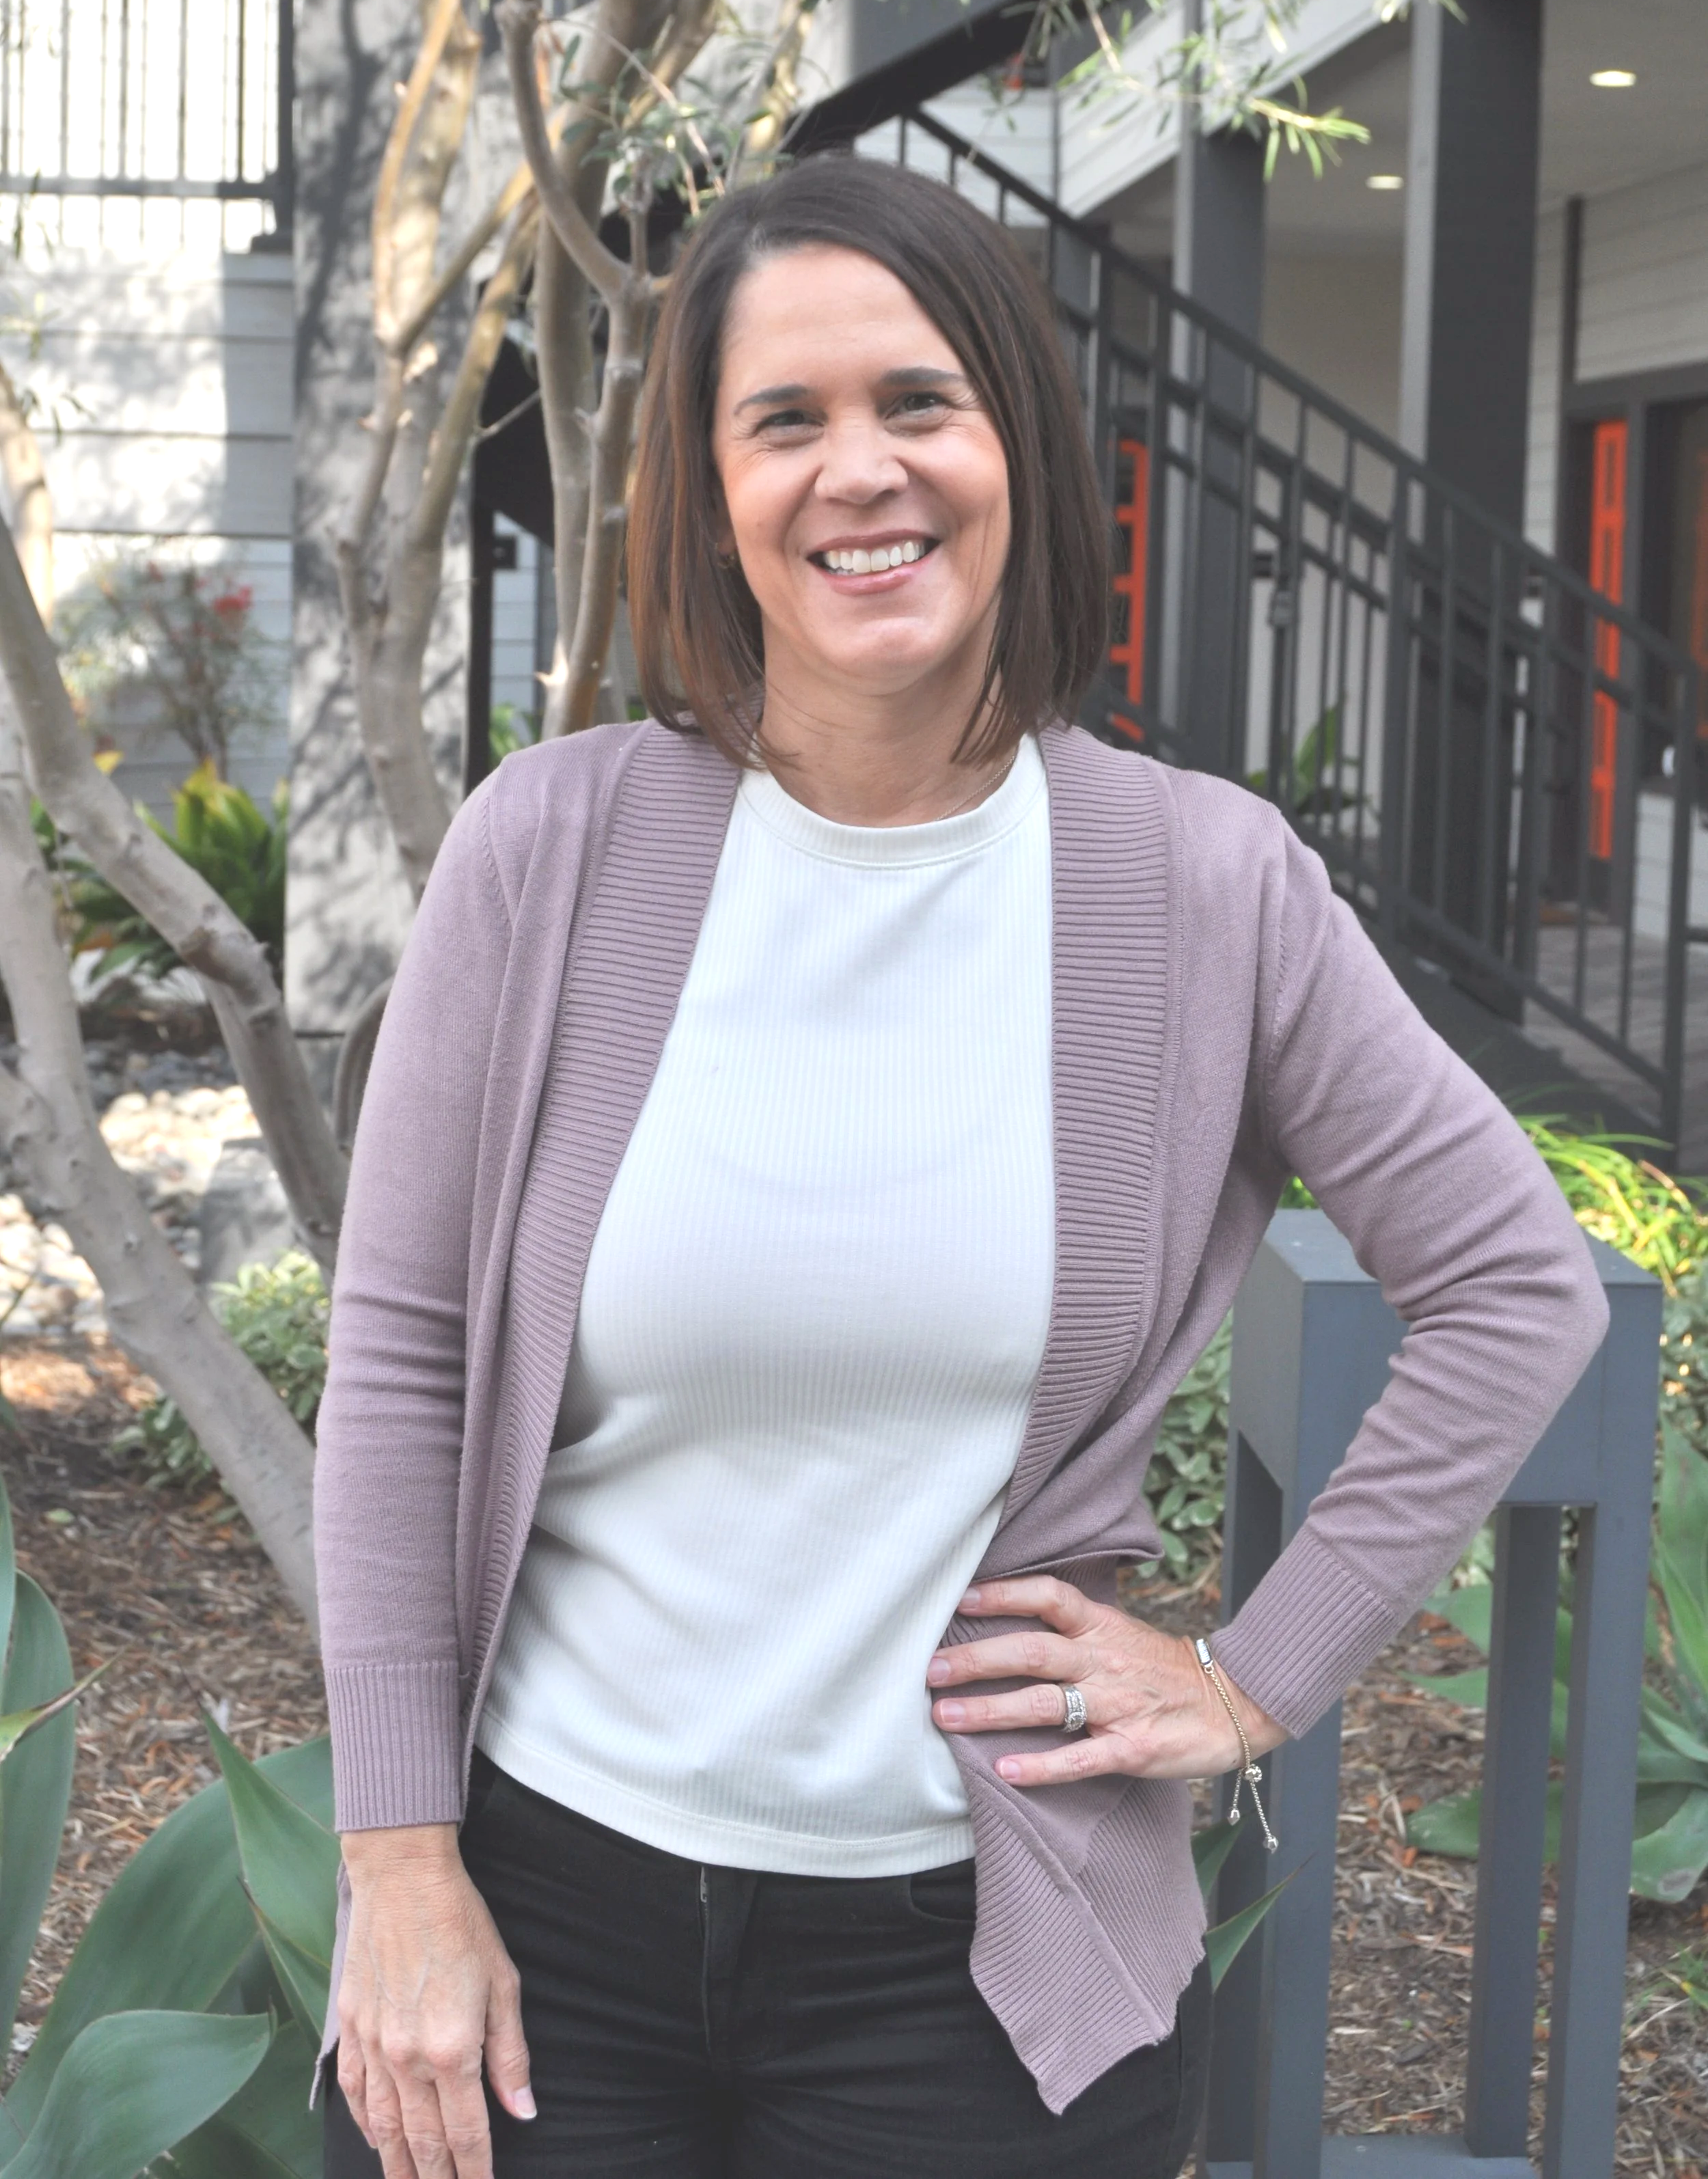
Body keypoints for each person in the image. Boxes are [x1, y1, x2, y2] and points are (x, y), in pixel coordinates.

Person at [314, 155, 1607, 2179]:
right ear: (708, 486)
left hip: (967, 1957)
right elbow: (399, 1357)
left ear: (1012, 443)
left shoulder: (1203, 884)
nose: (861, 472)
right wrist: (396, 1861)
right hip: (542, 1914)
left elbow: (1513, 1282)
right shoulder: (550, 848)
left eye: (919, 402)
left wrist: (1257, 1675)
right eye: (785, 419)